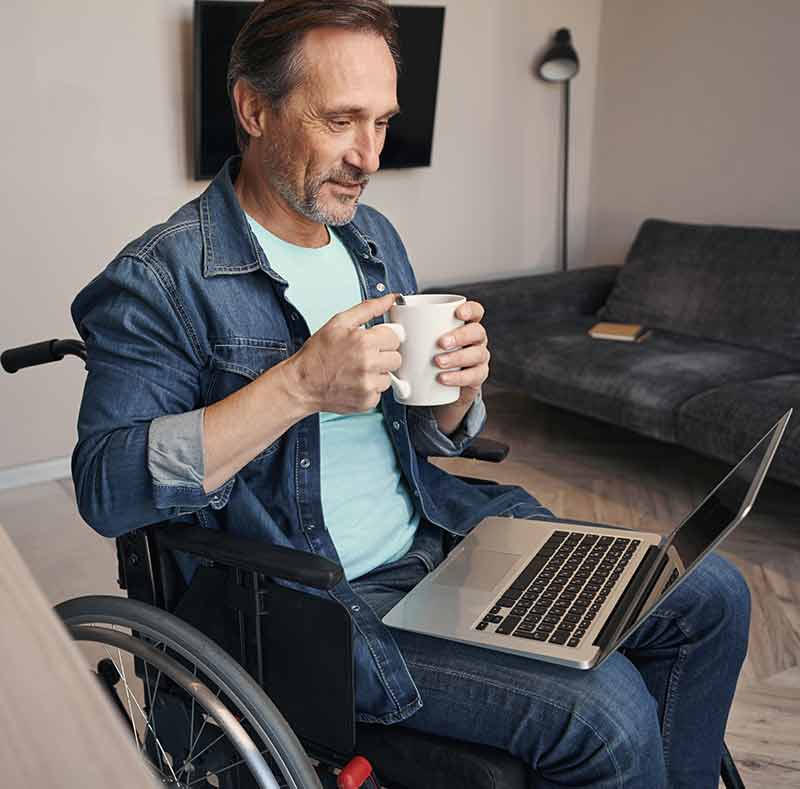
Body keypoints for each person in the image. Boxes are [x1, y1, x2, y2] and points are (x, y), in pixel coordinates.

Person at [71, 2, 750, 786]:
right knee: (610, 710)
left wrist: (455, 400)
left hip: (443, 539)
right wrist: (297, 385)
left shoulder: (372, 239)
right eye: (341, 120)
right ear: (254, 109)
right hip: (317, 607)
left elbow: (418, 438)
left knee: (712, 594)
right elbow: (106, 487)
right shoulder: (160, 280)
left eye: (384, 122)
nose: (369, 155)